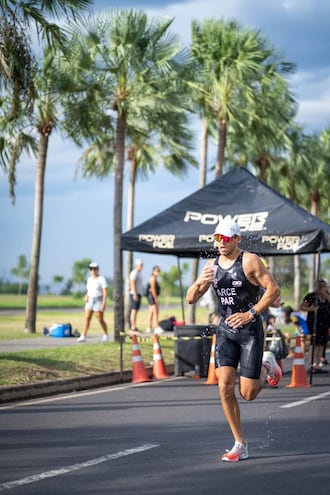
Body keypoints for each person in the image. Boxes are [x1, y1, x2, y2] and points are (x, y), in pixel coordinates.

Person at [186, 218, 281, 462]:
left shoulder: (249, 261)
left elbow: (274, 290)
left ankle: (266, 363)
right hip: (226, 332)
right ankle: (240, 443)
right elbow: (190, 299)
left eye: (226, 239)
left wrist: (251, 313)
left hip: (250, 332)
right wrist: (200, 281)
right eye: (217, 238)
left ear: (237, 239)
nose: (220, 243)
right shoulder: (212, 265)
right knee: (224, 386)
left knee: (248, 393)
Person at [300, 279, 330, 373]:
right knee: (314, 344)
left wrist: (325, 295)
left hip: (325, 323)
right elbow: (302, 307)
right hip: (314, 323)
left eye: (323, 286)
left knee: (321, 344)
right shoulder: (311, 296)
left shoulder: (327, 296)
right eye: (320, 286)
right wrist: (311, 309)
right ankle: (311, 364)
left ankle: (317, 365)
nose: (322, 289)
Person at [77, 261, 109, 342]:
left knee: (100, 319)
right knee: (87, 318)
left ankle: (106, 334)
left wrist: (104, 302)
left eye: (95, 269)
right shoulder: (89, 279)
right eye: (91, 269)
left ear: (97, 270)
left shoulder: (101, 279)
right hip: (90, 300)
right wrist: (86, 295)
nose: (93, 271)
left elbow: (105, 291)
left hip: (98, 300)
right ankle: (83, 335)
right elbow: (89, 290)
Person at [146, 265, 164, 334]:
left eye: (159, 271)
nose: (158, 272)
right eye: (157, 271)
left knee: (151, 312)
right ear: (153, 271)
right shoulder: (153, 278)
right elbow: (153, 289)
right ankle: (156, 327)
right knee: (156, 312)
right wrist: (156, 299)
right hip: (152, 297)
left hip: (151, 297)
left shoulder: (154, 278)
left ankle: (149, 327)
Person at [129, 259, 144, 332]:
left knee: (136, 310)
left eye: (142, 265)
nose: (141, 267)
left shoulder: (139, 273)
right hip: (134, 293)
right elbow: (132, 283)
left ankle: (134, 325)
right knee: (134, 310)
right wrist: (134, 294)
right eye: (140, 265)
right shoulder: (134, 273)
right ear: (136, 265)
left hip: (138, 293)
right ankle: (132, 326)